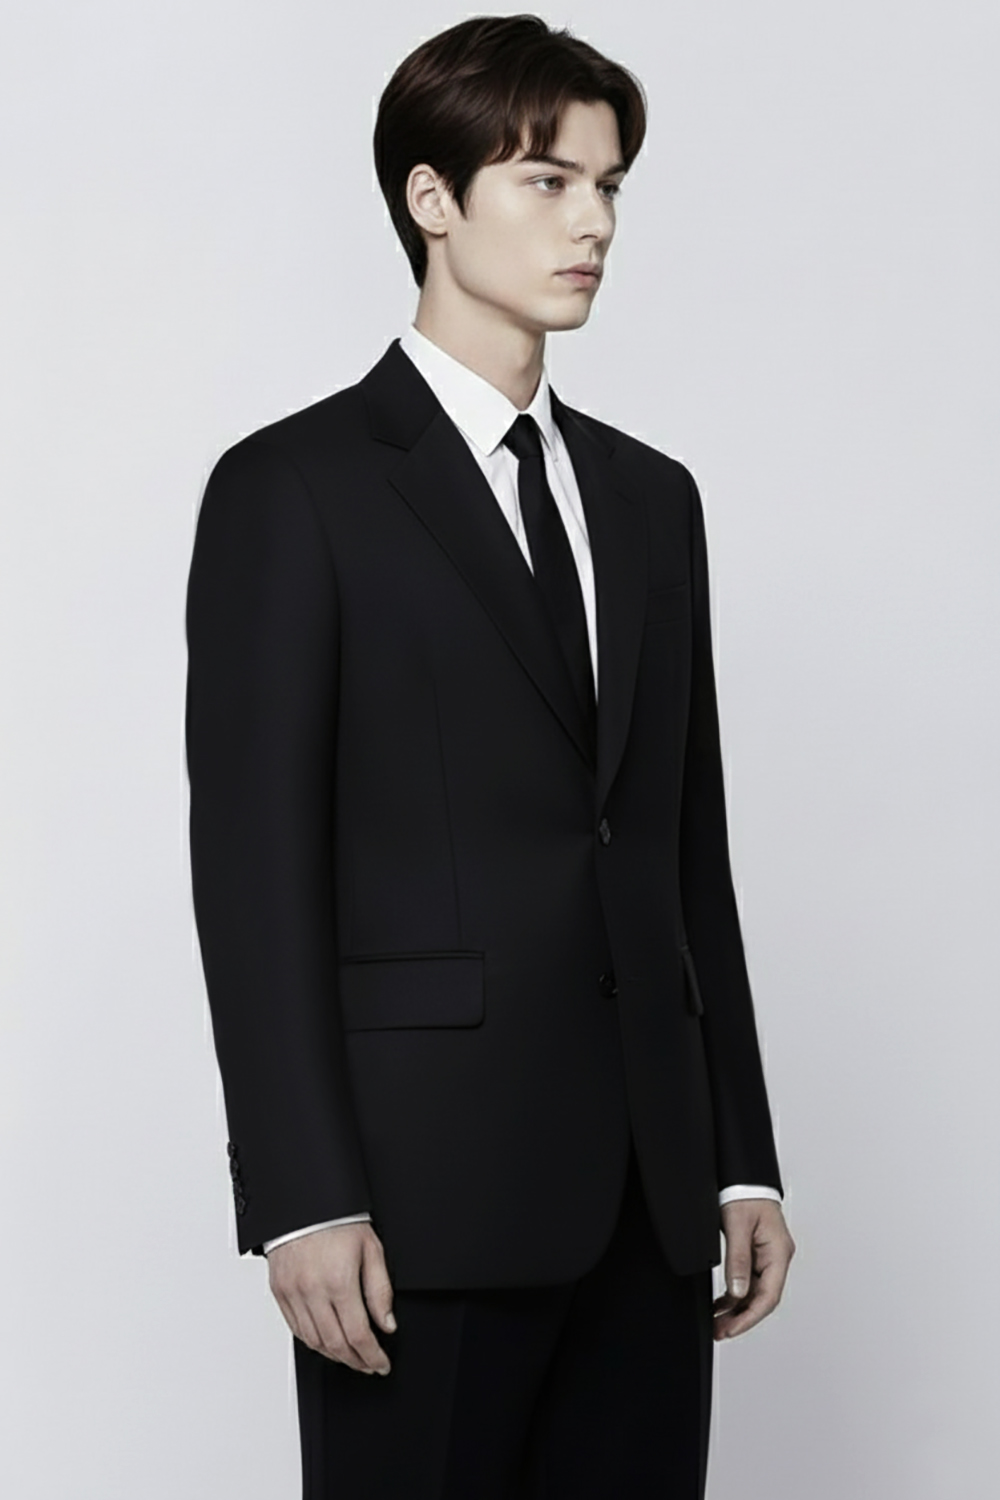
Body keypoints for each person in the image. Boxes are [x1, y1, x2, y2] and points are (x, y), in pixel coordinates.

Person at [185, 14, 795, 1497]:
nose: (594, 224)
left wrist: (738, 1153)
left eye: (610, 186)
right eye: (547, 180)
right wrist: (302, 1194)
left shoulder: (652, 501)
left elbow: (681, 848)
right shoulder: (294, 488)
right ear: (432, 199)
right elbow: (255, 874)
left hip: (652, 1201)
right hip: (418, 1203)